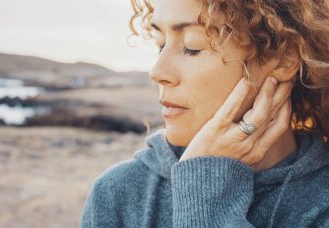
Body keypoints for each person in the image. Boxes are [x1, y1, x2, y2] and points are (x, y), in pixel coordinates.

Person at [79, 0, 329, 227]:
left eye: (192, 46)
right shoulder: (117, 194)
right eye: (160, 44)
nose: (156, 72)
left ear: (283, 60)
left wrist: (205, 197)